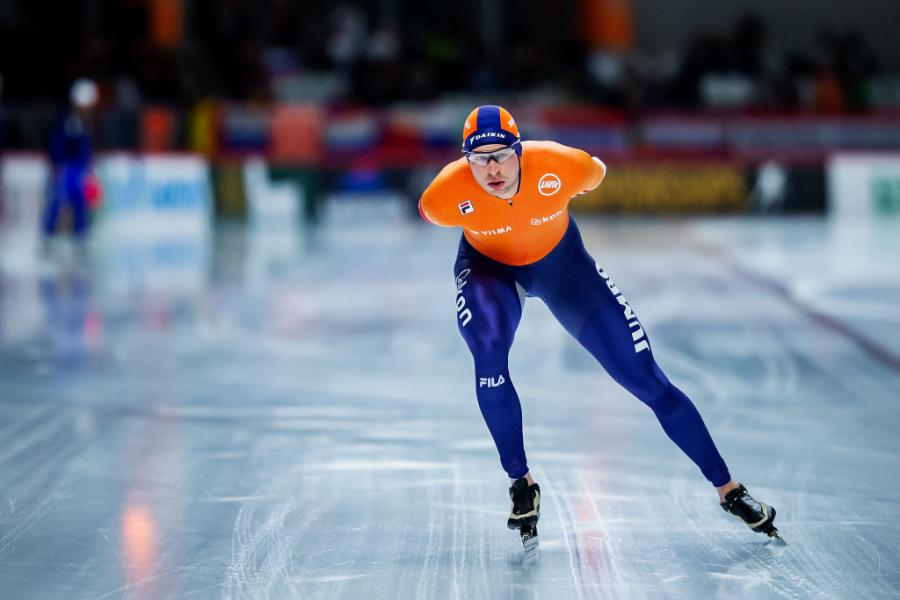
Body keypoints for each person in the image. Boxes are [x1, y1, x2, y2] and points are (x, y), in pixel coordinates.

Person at [418, 105, 780, 549]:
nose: (491, 168)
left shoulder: (560, 165)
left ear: (520, 152)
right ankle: (521, 481)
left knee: (644, 377)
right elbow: (430, 212)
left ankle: (729, 489)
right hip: (490, 269)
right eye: (479, 158)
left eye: (501, 155)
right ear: (464, 160)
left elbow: (598, 171)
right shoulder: (444, 195)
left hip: (564, 268)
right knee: (488, 352)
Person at [43, 78, 100, 247]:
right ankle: (50, 235)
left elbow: (85, 149)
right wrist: (60, 167)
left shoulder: (84, 122)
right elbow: (58, 147)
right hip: (68, 171)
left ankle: (79, 236)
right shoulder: (69, 121)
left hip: (78, 170)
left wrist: (88, 168)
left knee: (80, 206)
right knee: (59, 202)